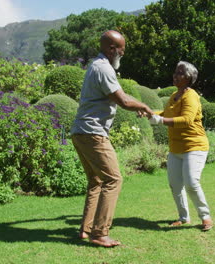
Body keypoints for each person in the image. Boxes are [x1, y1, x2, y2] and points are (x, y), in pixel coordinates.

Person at [71, 30, 154, 247]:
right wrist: (143, 105)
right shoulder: (104, 68)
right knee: (113, 179)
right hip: (93, 132)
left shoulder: (96, 65)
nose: (122, 54)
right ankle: (100, 233)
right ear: (111, 48)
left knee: (97, 181)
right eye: (121, 51)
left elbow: (123, 96)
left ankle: (86, 230)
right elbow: (122, 101)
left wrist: (138, 104)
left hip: (81, 131)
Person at [149, 61, 213, 231]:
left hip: (194, 146)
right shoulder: (174, 95)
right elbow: (165, 114)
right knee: (175, 184)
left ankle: (205, 217)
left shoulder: (191, 96)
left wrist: (160, 121)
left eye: (179, 73)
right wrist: (149, 113)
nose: (175, 75)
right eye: (175, 72)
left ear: (188, 78)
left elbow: (186, 120)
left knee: (191, 183)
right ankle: (183, 217)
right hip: (176, 148)